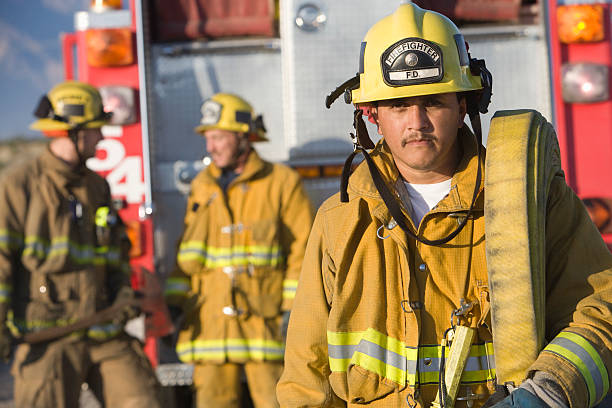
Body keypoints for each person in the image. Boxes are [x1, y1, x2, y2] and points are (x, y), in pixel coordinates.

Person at [277, 3, 612, 408]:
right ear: (372, 115)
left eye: (433, 102)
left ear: (463, 107)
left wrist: (547, 393)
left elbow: (600, 309)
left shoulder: (534, 201)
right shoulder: (340, 219)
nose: (416, 122)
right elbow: (306, 372)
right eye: (399, 106)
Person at [0, 80, 162, 407]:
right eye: (95, 130)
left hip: (104, 330)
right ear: (71, 132)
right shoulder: (18, 186)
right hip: (49, 338)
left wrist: (123, 297)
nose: (102, 138)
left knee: (144, 399)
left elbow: (115, 254)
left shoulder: (97, 187)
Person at [164, 93, 314, 407]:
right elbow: (187, 250)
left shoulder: (281, 182)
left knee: (280, 401)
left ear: (244, 138)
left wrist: (292, 310)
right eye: (208, 138)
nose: (210, 147)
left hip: (263, 320)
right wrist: (174, 303)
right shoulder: (202, 186)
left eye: (218, 137)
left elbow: (303, 248)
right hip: (210, 324)